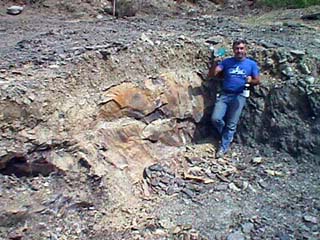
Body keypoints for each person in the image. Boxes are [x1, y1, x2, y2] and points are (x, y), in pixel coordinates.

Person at [208, 39, 260, 158]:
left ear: (245, 50)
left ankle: (223, 147)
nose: (239, 51)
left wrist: (251, 80)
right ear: (233, 50)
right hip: (225, 94)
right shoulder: (227, 62)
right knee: (216, 118)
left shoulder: (251, 64)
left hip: (240, 95)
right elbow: (213, 74)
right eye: (237, 48)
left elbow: (257, 80)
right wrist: (215, 63)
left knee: (231, 123)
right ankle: (226, 135)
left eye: (241, 48)